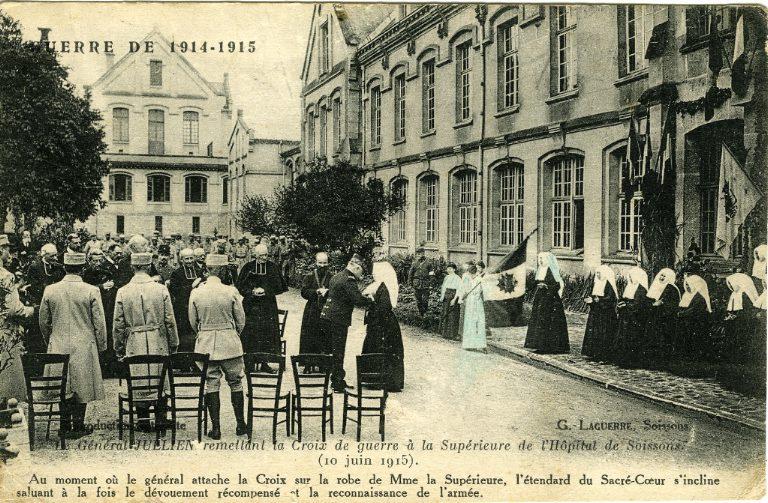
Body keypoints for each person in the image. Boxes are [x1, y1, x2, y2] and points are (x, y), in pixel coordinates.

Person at [39, 252, 107, 438]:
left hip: (59, 342)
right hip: (84, 343)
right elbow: (99, 322)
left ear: (64, 267)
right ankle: (78, 426)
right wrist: (101, 345)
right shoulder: (91, 290)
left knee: (63, 384)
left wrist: (50, 339)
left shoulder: (51, 290)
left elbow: (43, 321)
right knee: (82, 384)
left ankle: (64, 425)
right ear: (83, 268)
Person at [112, 252, 178, 431]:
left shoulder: (123, 291)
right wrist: (173, 344)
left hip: (135, 341)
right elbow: (169, 320)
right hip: (158, 338)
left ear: (133, 267)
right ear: (149, 267)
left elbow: (118, 325)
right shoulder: (161, 289)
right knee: (159, 376)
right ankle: (161, 420)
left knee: (139, 376)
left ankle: (142, 420)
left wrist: (118, 348)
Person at [189, 254, 248, 439]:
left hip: (206, 344)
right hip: (229, 342)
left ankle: (216, 429)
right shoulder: (231, 291)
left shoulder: (196, 292)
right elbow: (241, 320)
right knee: (236, 382)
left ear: (207, 269)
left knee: (211, 383)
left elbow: (193, 321)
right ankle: (240, 424)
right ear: (222, 270)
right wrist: (231, 333)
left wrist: (205, 331)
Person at [320, 254, 373, 392]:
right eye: (361, 270)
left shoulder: (337, 276)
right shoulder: (349, 280)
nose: (361, 274)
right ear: (356, 267)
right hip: (338, 320)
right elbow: (357, 299)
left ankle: (334, 380)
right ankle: (337, 383)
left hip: (327, 317)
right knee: (338, 351)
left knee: (332, 350)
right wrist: (370, 300)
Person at [236, 243, 287, 368]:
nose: (264, 258)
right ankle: (250, 362)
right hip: (251, 306)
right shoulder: (248, 267)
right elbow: (240, 287)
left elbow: (279, 287)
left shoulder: (272, 267)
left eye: (266, 255)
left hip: (267, 306)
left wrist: (266, 291)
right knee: (250, 332)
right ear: (256, 255)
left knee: (266, 333)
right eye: (261, 255)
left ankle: (264, 362)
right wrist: (252, 292)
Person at [0, 235, 34, 402]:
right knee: (7, 390)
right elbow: (14, 310)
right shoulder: (6, 276)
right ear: (1, 250)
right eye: (8, 249)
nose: (10, 254)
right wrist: (31, 310)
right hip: (5, 335)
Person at [362, 261, 404, 391]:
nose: (374, 274)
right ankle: (376, 379)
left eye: (376, 272)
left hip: (383, 324)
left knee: (381, 348)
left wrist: (372, 303)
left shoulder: (384, 288)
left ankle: (381, 380)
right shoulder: (380, 286)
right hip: (382, 322)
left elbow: (384, 308)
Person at [82, 247, 119, 377]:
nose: (97, 264)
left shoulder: (106, 272)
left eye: (99, 261)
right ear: (89, 261)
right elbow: (85, 290)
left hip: (106, 308)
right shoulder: (85, 274)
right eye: (94, 261)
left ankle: (107, 369)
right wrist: (101, 287)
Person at [524, 252, 569, 354]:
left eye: (542, 258)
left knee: (549, 321)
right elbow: (535, 283)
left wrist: (547, 287)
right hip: (540, 298)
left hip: (550, 299)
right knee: (539, 319)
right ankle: (539, 345)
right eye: (539, 258)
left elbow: (557, 285)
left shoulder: (551, 270)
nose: (540, 260)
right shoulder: (540, 270)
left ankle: (551, 346)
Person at [25, 243, 65, 355]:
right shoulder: (35, 267)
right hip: (41, 303)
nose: (55, 258)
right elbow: (33, 288)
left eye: (56, 255)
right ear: (44, 255)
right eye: (52, 256)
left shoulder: (59, 267)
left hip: (57, 304)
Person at [642, 268, 680, 369]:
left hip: (664, 320)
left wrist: (662, 304)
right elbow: (648, 300)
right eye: (661, 275)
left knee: (662, 340)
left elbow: (674, 305)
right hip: (653, 317)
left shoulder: (672, 289)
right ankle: (650, 363)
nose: (662, 278)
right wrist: (652, 304)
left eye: (664, 276)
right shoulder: (655, 285)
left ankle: (661, 364)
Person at [612, 267, 650, 368]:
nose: (631, 278)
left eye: (633, 276)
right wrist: (621, 304)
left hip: (635, 319)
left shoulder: (641, 290)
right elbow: (624, 299)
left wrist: (626, 305)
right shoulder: (629, 287)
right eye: (630, 276)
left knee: (632, 338)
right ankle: (621, 360)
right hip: (625, 317)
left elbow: (638, 305)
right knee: (623, 338)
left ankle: (631, 362)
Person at [168, 248, 203, 353]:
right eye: (186, 259)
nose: (189, 261)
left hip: (198, 306)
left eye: (191, 258)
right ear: (181, 260)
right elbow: (175, 291)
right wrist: (191, 286)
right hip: (183, 308)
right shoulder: (176, 273)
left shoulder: (199, 271)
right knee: (185, 336)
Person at [581, 265, 618, 361]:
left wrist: (599, 300)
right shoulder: (596, 283)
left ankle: (604, 355)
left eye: (599, 273)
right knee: (595, 332)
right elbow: (593, 296)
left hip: (606, 314)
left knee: (604, 333)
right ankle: (594, 353)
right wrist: (591, 300)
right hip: (596, 312)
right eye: (596, 273)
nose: (597, 275)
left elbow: (610, 298)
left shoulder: (608, 285)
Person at [723, 273, 760, 364]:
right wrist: (731, 314)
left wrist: (736, 315)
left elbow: (747, 309)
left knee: (741, 338)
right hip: (735, 320)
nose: (731, 286)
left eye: (732, 284)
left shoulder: (745, 293)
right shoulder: (735, 294)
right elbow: (732, 307)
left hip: (743, 320)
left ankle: (741, 359)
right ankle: (732, 358)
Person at [299, 252, 331, 356]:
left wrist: (327, 292)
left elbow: (335, 293)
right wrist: (316, 292)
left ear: (328, 263)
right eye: (320, 262)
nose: (322, 265)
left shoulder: (331, 277)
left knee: (324, 336)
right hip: (311, 310)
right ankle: (308, 362)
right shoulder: (310, 276)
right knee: (309, 336)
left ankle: (323, 364)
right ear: (316, 263)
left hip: (326, 310)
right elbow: (304, 292)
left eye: (325, 263)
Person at [458, 263, 486, 352]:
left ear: (471, 273)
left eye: (469, 273)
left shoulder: (479, 280)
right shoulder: (471, 280)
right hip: (470, 302)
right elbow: (465, 289)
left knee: (477, 321)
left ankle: (480, 344)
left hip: (476, 302)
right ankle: (469, 344)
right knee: (469, 321)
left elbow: (480, 292)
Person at [438, 263, 462, 340]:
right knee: (445, 313)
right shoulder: (447, 277)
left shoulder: (457, 278)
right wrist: (442, 296)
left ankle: (452, 334)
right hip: (446, 296)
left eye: (451, 268)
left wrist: (454, 299)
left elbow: (459, 289)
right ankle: (444, 333)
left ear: (454, 269)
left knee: (452, 315)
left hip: (453, 296)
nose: (449, 270)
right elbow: (444, 287)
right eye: (448, 268)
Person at [408, 248, 434, 316]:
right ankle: (421, 313)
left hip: (425, 284)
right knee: (418, 301)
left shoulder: (429, 263)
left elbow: (431, 275)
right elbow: (410, 274)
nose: (418, 255)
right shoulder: (414, 263)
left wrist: (431, 284)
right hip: (416, 284)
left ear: (423, 253)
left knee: (425, 301)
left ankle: (425, 312)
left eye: (420, 253)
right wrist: (410, 284)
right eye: (417, 254)